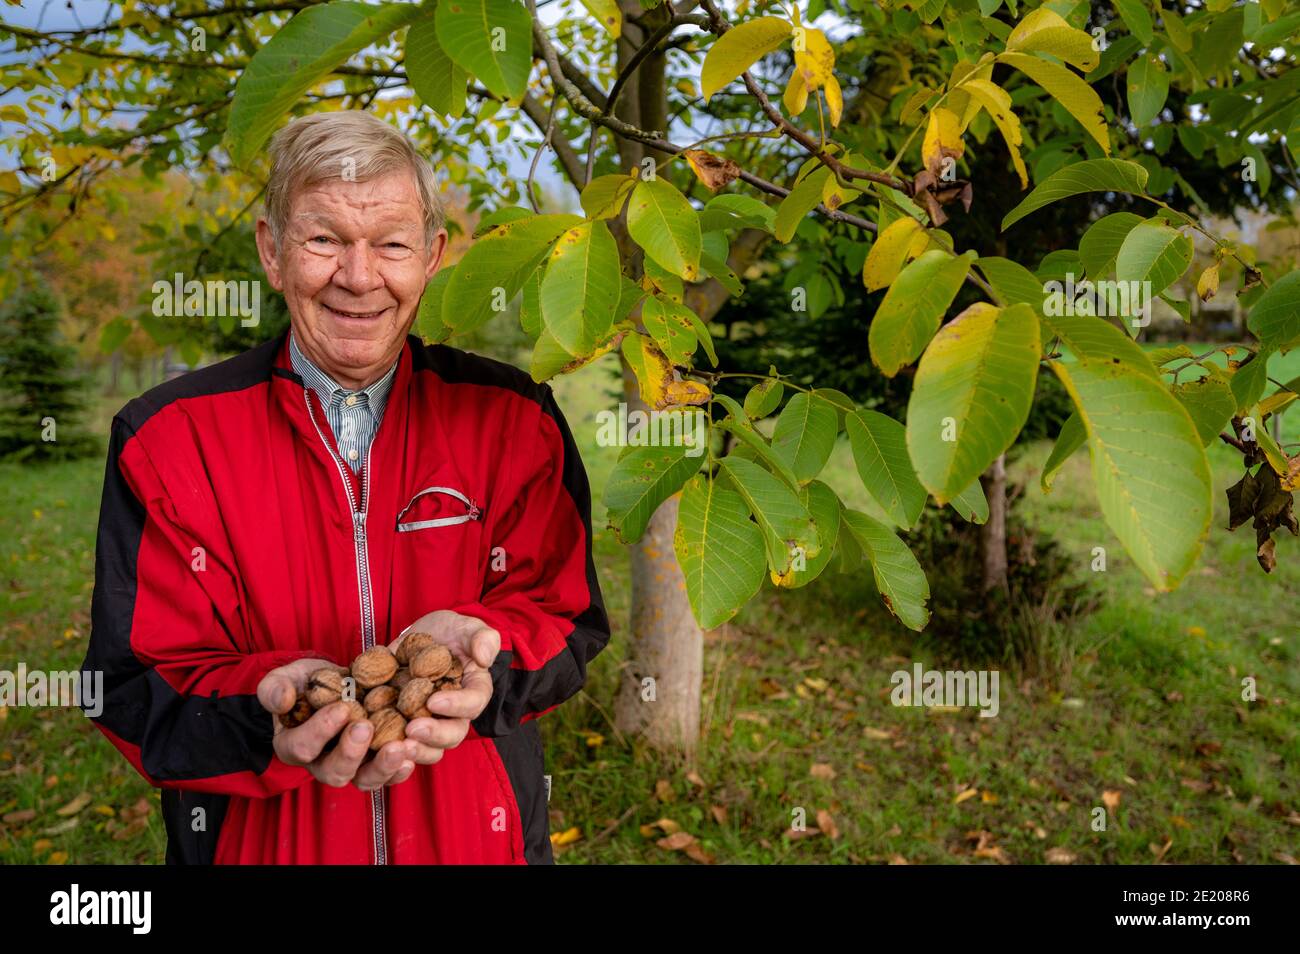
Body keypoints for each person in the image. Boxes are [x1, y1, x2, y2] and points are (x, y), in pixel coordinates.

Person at [80, 110, 610, 864]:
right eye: (323, 239)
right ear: (272, 250)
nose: (359, 278)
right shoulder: (166, 440)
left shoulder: (514, 418)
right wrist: (269, 717)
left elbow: (568, 619)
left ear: (431, 256)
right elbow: (129, 689)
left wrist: (487, 668)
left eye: (390, 244)